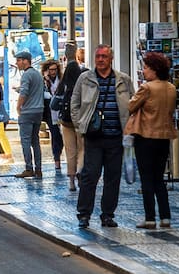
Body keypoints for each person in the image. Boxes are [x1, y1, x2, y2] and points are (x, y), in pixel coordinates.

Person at [68, 44, 134, 229]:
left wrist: (128, 128)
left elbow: (133, 104)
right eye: (98, 56)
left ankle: (107, 215)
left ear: (111, 58)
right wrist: (80, 125)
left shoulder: (123, 80)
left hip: (116, 137)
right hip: (94, 137)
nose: (100, 60)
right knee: (90, 176)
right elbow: (75, 104)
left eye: (104, 56)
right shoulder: (85, 79)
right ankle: (84, 214)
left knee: (113, 178)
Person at [128, 51, 178, 229]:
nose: (144, 71)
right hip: (164, 137)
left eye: (146, 68)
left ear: (155, 70)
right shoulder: (171, 88)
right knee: (159, 178)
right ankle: (166, 217)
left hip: (146, 137)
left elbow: (131, 106)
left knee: (147, 178)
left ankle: (150, 218)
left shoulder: (147, 88)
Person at [12, 51, 45, 178]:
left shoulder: (26, 75)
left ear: (26, 61)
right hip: (38, 111)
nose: (17, 63)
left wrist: (18, 106)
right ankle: (39, 169)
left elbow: (25, 93)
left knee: (25, 141)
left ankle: (28, 168)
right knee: (35, 141)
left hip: (28, 111)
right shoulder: (37, 74)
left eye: (19, 60)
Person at [56, 55, 85, 190]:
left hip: (66, 122)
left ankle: (71, 182)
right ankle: (80, 170)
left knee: (70, 151)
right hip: (80, 121)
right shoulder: (82, 83)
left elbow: (53, 104)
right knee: (82, 149)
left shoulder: (63, 85)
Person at [41, 60, 66, 176]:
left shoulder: (61, 80)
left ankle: (59, 155)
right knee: (55, 135)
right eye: (51, 70)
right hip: (50, 113)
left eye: (55, 69)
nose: (53, 72)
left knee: (61, 137)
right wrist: (46, 81)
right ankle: (57, 160)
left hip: (61, 111)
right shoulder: (44, 81)